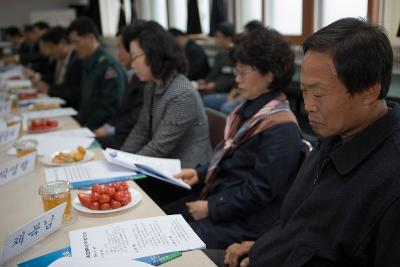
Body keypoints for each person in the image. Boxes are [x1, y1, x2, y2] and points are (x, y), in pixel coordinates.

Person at [207, 18, 400, 267]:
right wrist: (264, 245)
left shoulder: (390, 181)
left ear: (369, 91)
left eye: (318, 94)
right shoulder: (336, 134)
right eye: (305, 91)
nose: (308, 107)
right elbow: (297, 222)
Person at [164, 27, 303, 249]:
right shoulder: (250, 109)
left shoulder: (281, 127)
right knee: (162, 218)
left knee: (168, 241)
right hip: (223, 199)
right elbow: (230, 157)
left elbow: (260, 190)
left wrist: (211, 207)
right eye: (236, 70)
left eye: (242, 71)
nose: (236, 79)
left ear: (270, 74)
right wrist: (200, 173)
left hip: (244, 221)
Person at [67, 17, 126, 130]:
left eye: (76, 42)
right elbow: (86, 102)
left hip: (100, 130)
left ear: (91, 38)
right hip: (85, 127)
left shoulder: (108, 66)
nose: (74, 47)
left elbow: (109, 108)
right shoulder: (87, 61)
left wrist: (87, 128)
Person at [95, 23, 146, 149]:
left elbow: (137, 118)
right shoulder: (135, 76)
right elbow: (123, 110)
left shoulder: (145, 79)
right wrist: (109, 126)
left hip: (128, 140)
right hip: (123, 136)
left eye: (120, 47)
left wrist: (111, 129)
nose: (117, 53)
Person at [34, 26, 82, 110]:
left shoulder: (76, 60)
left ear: (63, 44)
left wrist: (49, 88)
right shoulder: (60, 58)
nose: (49, 52)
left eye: (51, 47)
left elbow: (73, 93)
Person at [197, 22, 235, 94]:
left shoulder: (235, 55)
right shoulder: (220, 54)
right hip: (213, 89)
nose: (216, 40)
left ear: (229, 38)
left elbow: (233, 79)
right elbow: (213, 73)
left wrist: (216, 85)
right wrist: (205, 81)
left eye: (219, 37)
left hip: (225, 91)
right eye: (216, 37)